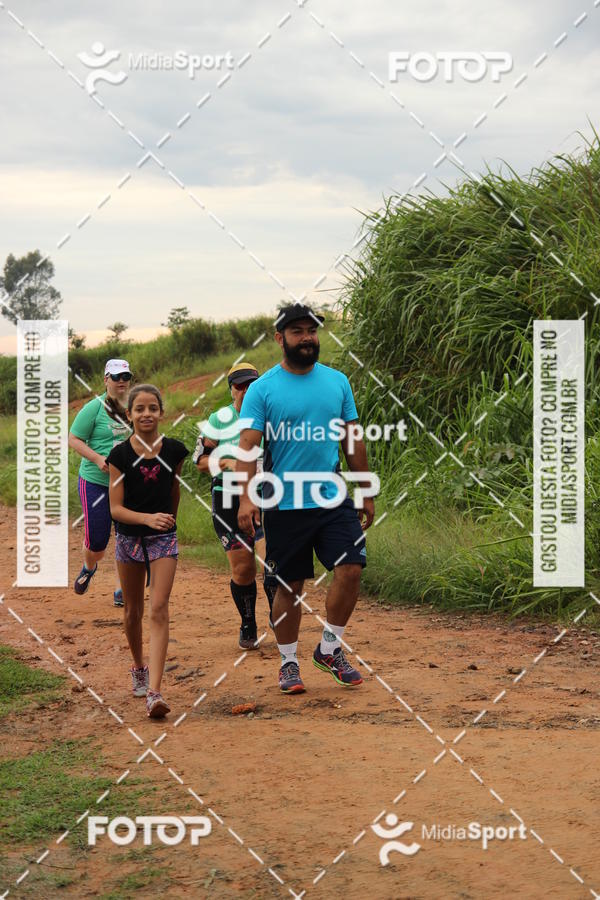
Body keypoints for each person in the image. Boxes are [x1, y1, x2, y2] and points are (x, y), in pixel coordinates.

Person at [237, 303, 376, 694]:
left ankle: (329, 648)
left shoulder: (337, 382)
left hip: (332, 497)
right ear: (280, 338)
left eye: (311, 331)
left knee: (350, 568)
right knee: (290, 587)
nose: (307, 338)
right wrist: (247, 499)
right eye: (297, 331)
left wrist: (365, 488)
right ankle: (288, 662)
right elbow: (248, 446)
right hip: (283, 501)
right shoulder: (262, 390)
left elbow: (351, 438)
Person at [106, 384, 189, 718]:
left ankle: (154, 692)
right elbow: (115, 508)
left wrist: (166, 523)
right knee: (132, 611)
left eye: (152, 408)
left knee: (158, 608)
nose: (146, 414)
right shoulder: (119, 456)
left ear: (161, 412)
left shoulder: (175, 451)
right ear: (129, 415)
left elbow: (174, 494)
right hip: (128, 538)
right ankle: (138, 666)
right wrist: (146, 519)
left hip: (163, 539)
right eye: (139, 409)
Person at [194, 362, 274, 649]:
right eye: (239, 385)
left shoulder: (270, 415)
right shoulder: (219, 418)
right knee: (242, 569)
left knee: (271, 562)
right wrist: (226, 462)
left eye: (251, 385)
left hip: (267, 492)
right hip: (227, 496)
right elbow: (201, 461)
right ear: (231, 389)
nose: (245, 390)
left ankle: (278, 610)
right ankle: (248, 621)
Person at [69, 359, 132, 605]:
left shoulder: (134, 407)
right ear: (106, 379)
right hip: (95, 481)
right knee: (97, 543)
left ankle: (121, 589)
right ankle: (88, 566)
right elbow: (73, 439)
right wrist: (97, 459)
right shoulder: (93, 408)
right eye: (116, 377)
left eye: (125, 377)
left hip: (125, 482)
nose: (121, 382)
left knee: (126, 536)